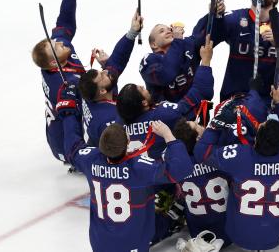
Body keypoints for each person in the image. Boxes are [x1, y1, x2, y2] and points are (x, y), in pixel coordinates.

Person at [60, 105, 192, 252]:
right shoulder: (139, 168)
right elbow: (181, 169)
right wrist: (169, 136)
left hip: (101, 243)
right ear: (127, 143)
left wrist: (69, 112)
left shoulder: (90, 160)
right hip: (133, 243)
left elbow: (72, 147)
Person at [194, 84, 279, 250]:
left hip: (238, 235)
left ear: (256, 140)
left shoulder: (239, 156)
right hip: (277, 236)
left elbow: (201, 152)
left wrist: (215, 124)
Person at [117, 37, 215, 159]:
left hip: (146, 169)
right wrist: (205, 61)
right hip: (175, 168)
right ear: (143, 103)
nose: (143, 86)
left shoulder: (122, 123)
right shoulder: (165, 114)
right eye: (141, 89)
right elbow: (200, 92)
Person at [211, 0, 279, 101]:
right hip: (233, 100)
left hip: (268, 103)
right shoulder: (235, 18)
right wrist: (214, 17)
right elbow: (209, 40)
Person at [31, 0, 86, 162]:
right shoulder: (62, 85)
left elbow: (64, 20)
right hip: (65, 143)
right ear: (54, 64)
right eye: (57, 46)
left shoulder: (57, 57)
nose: (61, 43)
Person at [78, 10, 143, 145]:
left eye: (102, 71)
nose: (106, 71)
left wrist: (132, 32)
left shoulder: (92, 92)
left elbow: (116, 63)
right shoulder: (112, 118)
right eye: (102, 76)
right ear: (102, 91)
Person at [140, 2, 218, 103]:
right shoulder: (149, 61)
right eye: (161, 31)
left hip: (196, 114)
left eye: (169, 29)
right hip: (166, 117)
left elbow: (204, 34)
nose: (168, 31)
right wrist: (177, 41)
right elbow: (166, 75)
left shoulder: (185, 45)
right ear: (153, 44)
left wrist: (212, 14)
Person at [172, 119, 230, 248]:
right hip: (229, 231)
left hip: (198, 233)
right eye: (198, 126)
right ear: (199, 137)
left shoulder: (175, 164)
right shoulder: (220, 154)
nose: (201, 125)